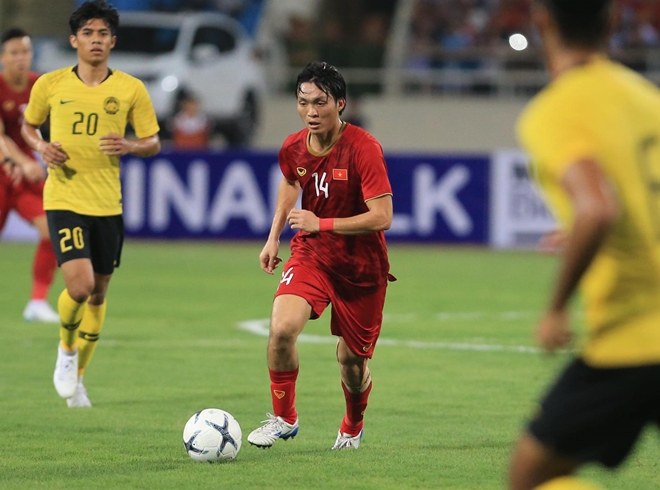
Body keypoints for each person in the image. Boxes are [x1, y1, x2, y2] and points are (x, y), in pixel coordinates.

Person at [509, 1, 660, 489]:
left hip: (634, 335)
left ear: (542, 21)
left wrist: (556, 308)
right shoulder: (646, 98)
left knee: (530, 474)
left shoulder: (558, 108)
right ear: (613, 21)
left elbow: (596, 208)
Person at [247, 61, 394, 451]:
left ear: (340, 103)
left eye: (320, 102)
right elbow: (290, 181)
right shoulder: (293, 146)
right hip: (312, 254)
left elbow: (383, 216)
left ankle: (352, 424)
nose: (310, 111)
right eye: (303, 102)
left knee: (351, 362)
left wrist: (321, 222)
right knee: (281, 330)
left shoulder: (363, 148)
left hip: (361, 268)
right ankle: (284, 418)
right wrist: (273, 237)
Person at [21, 0, 160, 408]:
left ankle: (79, 378)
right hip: (64, 197)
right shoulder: (50, 84)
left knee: (98, 294)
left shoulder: (131, 88)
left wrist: (130, 145)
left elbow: (153, 141)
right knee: (79, 287)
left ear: (112, 41)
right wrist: (42, 147)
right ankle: (66, 350)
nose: (95, 40)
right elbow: (28, 126)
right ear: (74, 40)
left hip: (107, 203)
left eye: (102, 34)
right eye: (87, 33)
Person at [0, 28, 60, 323]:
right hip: (7, 171)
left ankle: (37, 302)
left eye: (25, 51)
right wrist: (22, 161)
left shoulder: (40, 85)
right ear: (3, 57)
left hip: (26, 178)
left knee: (53, 229)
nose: (20, 58)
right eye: (14, 52)